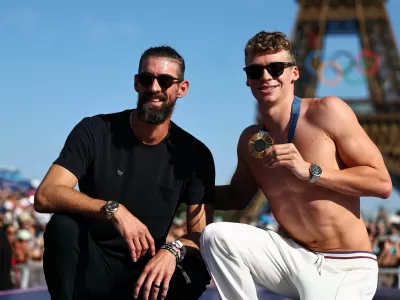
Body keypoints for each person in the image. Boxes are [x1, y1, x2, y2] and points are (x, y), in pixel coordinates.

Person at [200, 31, 392, 300]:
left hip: (346, 266)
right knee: (216, 236)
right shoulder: (249, 140)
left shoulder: (327, 112)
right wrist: (183, 189)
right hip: (295, 259)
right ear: (248, 80)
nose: (266, 77)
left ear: (294, 73)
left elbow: (382, 183)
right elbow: (237, 196)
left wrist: (311, 172)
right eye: (256, 71)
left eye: (275, 68)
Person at [34, 45, 215, 300]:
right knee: (62, 226)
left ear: (181, 88)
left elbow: (201, 234)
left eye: (165, 81)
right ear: (136, 83)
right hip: (93, 266)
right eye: (146, 79)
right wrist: (113, 209)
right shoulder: (95, 130)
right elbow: (45, 195)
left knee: (197, 266)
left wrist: (172, 250)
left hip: (148, 274)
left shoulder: (196, 155)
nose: (154, 88)